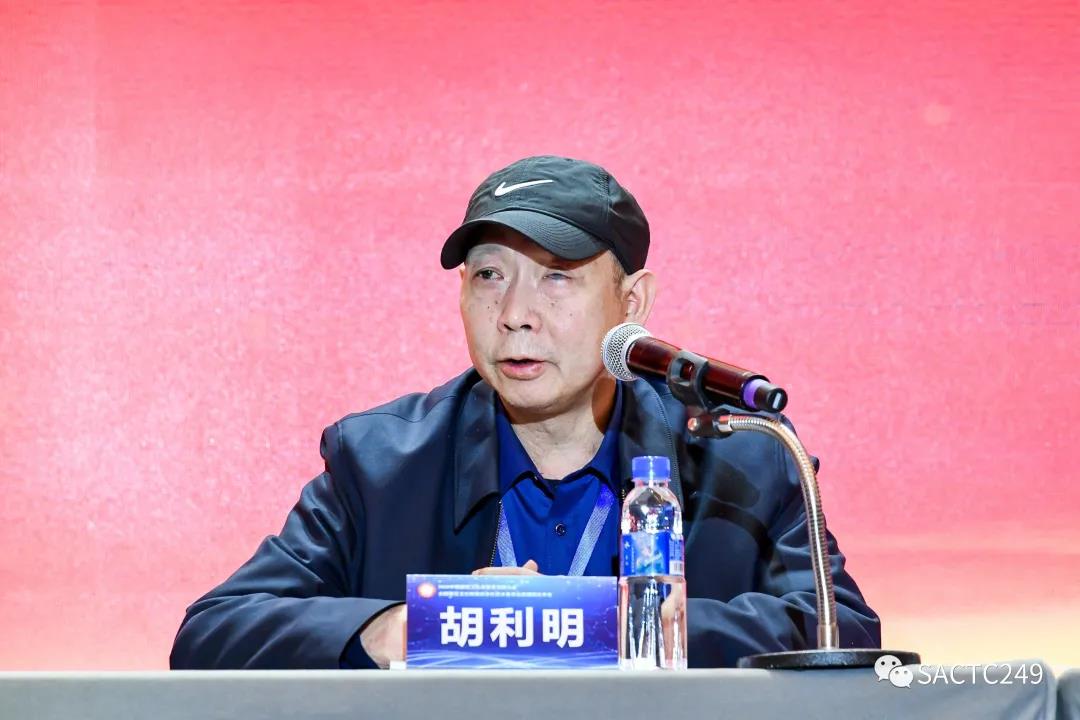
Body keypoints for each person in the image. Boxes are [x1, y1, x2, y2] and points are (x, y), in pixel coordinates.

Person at [169, 155, 881, 670]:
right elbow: (214, 631)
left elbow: (845, 630)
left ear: (632, 304)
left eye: (557, 278)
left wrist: (597, 627)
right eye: (488, 275)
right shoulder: (380, 462)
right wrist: (404, 626)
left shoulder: (741, 456)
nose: (514, 314)